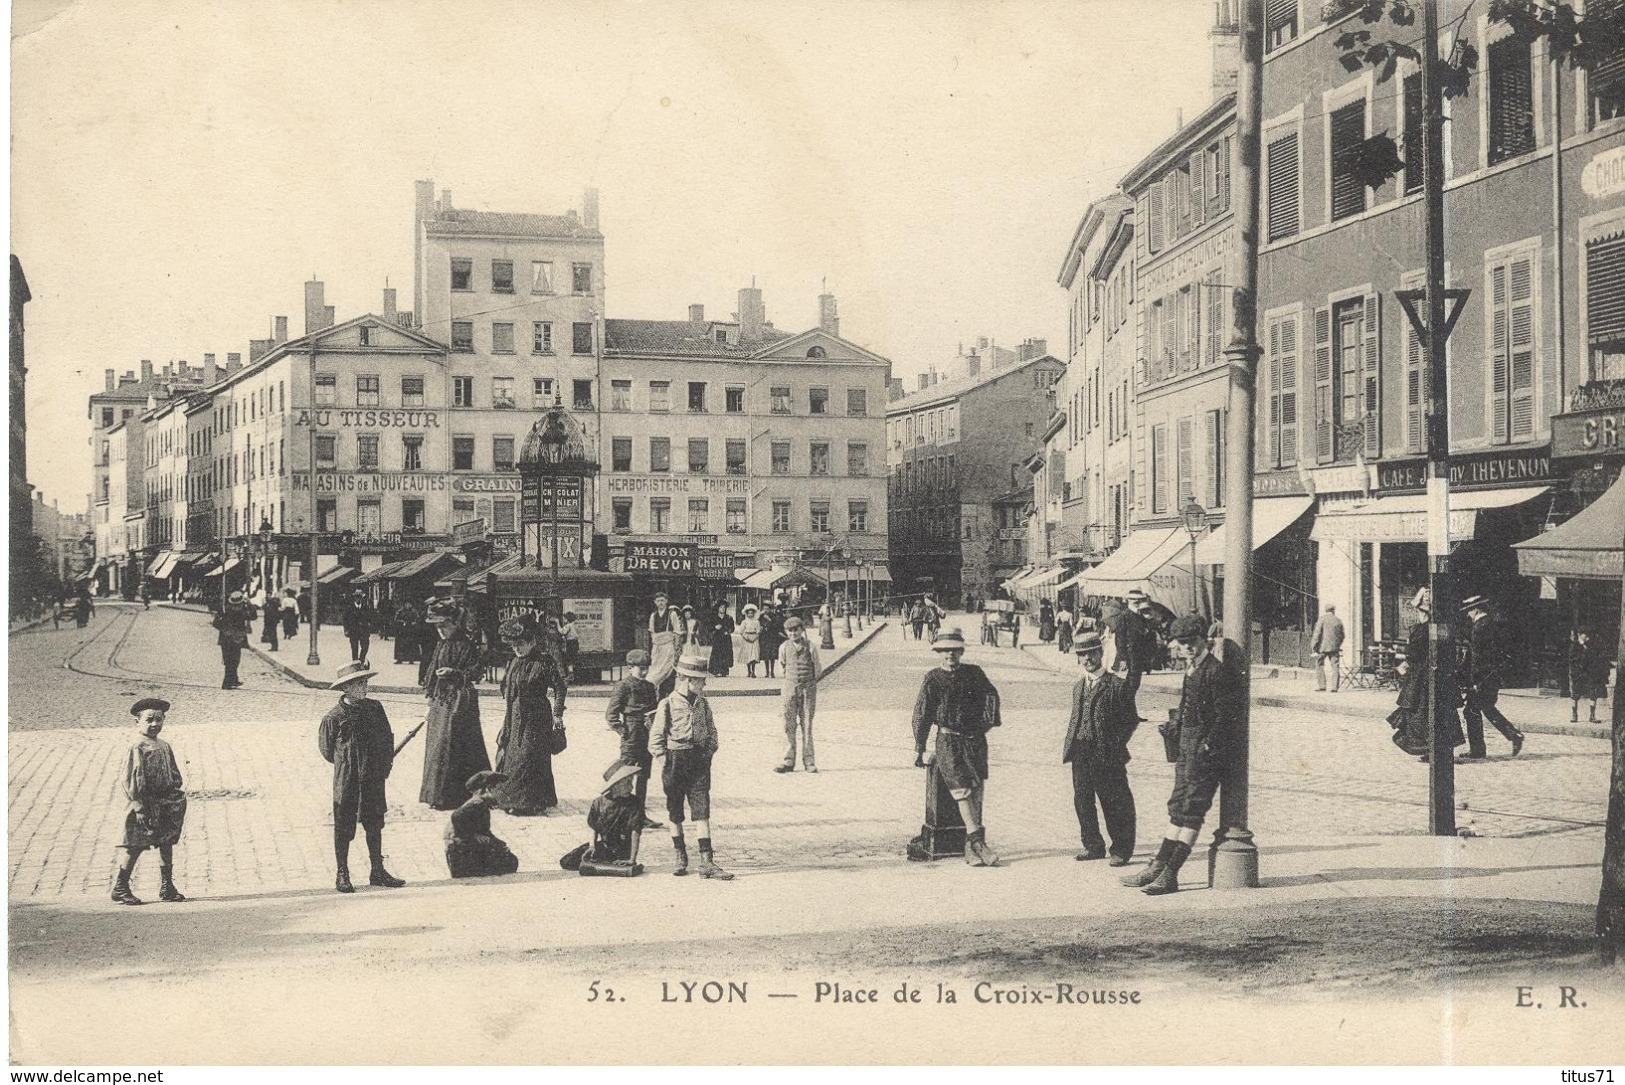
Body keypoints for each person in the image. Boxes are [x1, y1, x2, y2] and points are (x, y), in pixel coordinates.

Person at [1121, 614, 1242, 895]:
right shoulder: (1192, 669)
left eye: (1192, 642)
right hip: (1188, 747)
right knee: (1178, 805)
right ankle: (1158, 865)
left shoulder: (1215, 671)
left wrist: (1208, 746)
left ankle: (1171, 873)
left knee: (1192, 810)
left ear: (1204, 641)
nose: (1186, 648)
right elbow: (1188, 705)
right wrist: (1175, 726)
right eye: (1182, 643)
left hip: (1203, 752)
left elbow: (1226, 717)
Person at [910, 627, 1002, 866]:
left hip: (975, 741)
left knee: (977, 789)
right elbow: (922, 714)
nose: (950, 654)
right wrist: (920, 747)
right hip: (948, 742)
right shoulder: (933, 678)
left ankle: (970, 848)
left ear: (961, 651)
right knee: (962, 790)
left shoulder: (974, 674)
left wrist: (984, 725)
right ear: (939, 652)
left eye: (955, 650)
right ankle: (978, 842)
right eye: (945, 650)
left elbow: (991, 698)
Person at [318, 660, 406, 893]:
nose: (364, 687)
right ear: (345, 688)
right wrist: (348, 763)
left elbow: (387, 739)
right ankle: (342, 873)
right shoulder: (334, 717)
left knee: (374, 821)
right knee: (344, 823)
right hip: (347, 779)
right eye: (358, 684)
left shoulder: (375, 709)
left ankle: (377, 870)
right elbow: (328, 751)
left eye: (365, 682)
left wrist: (383, 766)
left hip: (373, 775)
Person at [649, 648, 732, 879]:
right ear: (687, 680)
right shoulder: (667, 704)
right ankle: (680, 856)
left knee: (702, 810)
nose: (703, 685)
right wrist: (665, 759)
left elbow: (713, 733)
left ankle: (707, 861)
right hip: (675, 760)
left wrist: (708, 752)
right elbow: (655, 739)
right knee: (675, 811)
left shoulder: (703, 704)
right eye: (700, 680)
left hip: (699, 762)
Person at [1063, 631, 1139, 865]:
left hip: (1107, 752)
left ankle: (1121, 849)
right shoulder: (1078, 687)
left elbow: (1131, 720)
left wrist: (1115, 744)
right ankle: (1093, 845)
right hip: (1080, 751)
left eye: (1091, 653)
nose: (1087, 659)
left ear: (1101, 653)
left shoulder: (1117, 685)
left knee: (1114, 799)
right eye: (1082, 655)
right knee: (1083, 800)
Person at [111, 698, 188, 905]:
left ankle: (167, 886)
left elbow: (174, 773)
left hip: (164, 802)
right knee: (134, 844)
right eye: (149, 719)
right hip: (143, 804)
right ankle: (120, 886)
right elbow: (130, 778)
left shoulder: (164, 745)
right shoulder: (137, 746)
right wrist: (139, 806)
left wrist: (175, 794)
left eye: (159, 719)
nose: (155, 724)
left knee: (166, 842)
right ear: (137, 721)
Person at [490, 614, 567, 816]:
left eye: (521, 644)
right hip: (515, 716)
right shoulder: (514, 662)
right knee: (513, 755)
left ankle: (529, 801)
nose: (517, 648)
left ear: (532, 642)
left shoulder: (544, 662)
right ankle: (513, 797)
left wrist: (558, 714)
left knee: (529, 756)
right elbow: (505, 686)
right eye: (514, 644)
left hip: (537, 717)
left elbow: (560, 687)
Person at [419, 599, 492, 810]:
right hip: (441, 702)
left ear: (454, 623)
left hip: (461, 702)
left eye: (443, 626)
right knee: (438, 747)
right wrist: (430, 700)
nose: (440, 630)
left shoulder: (467, 645)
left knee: (456, 746)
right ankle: (437, 795)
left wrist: (455, 674)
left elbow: (477, 672)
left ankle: (458, 795)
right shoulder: (441, 644)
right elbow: (432, 673)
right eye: (437, 627)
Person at [1387, 588, 1465, 760]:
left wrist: (1407, 663)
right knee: (1442, 711)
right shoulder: (1443, 628)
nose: (1418, 614)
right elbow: (1450, 651)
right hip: (1442, 676)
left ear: (1425, 612)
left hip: (1423, 677)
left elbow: (1414, 654)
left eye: (1420, 610)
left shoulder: (1421, 630)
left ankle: (1431, 749)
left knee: (1421, 712)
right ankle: (1442, 749)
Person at [1460, 594, 1524, 759]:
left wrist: (1474, 681)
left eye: (1469, 610)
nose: (1467, 614)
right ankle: (1512, 735)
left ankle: (1478, 749)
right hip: (1491, 676)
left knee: (1472, 711)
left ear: (1475, 610)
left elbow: (1477, 658)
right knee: (1486, 708)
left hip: (1482, 678)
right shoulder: (1491, 624)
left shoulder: (1479, 627)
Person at [560, 763, 647, 870]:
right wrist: (592, 846)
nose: (631, 787)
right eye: (627, 783)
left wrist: (632, 859)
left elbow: (635, 832)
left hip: (622, 849)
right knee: (567, 861)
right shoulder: (598, 802)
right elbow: (594, 827)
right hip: (605, 846)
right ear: (615, 785)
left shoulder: (634, 802)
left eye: (631, 782)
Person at [445, 770, 520, 878]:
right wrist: (473, 835)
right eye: (496, 789)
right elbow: (456, 816)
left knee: (508, 859)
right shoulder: (477, 804)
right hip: (461, 853)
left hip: (463, 850)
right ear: (486, 790)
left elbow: (484, 831)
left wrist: (497, 842)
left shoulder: (481, 804)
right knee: (509, 862)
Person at [775, 615, 823, 773]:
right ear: (786, 632)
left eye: (796, 630)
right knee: (788, 724)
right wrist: (790, 681)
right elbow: (781, 667)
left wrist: (808, 683)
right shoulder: (783, 647)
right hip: (789, 689)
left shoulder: (811, 647)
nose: (793, 633)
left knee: (807, 724)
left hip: (807, 689)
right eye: (790, 631)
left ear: (802, 630)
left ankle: (809, 761)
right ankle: (788, 760)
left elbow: (817, 669)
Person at [647, 591, 686, 698]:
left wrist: (677, 648)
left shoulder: (671, 614)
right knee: (655, 670)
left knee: (668, 670)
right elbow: (652, 633)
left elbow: (677, 632)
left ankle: (667, 695)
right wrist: (655, 644)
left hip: (668, 646)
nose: (660, 603)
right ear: (655, 602)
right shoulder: (653, 616)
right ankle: (656, 695)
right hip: (657, 647)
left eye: (662, 601)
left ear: (666, 602)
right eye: (658, 601)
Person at [1568, 628, 1611, 724]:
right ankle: (1574, 715)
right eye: (1585, 635)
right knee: (1575, 695)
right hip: (1578, 674)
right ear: (1579, 635)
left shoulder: (1590, 646)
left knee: (1593, 694)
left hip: (1589, 673)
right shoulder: (1574, 646)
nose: (1587, 637)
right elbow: (1573, 660)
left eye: (1588, 635)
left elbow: (1594, 658)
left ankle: (1592, 715)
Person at [213, 590, 253, 689]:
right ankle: (226, 683)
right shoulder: (241, 611)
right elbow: (253, 616)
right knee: (233, 660)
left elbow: (215, 623)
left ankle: (233, 680)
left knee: (231, 660)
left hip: (226, 638)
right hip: (234, 639)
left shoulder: (224, 609)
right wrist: (250, 604)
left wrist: (224, 630)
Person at [1309, 604, 1346, 693]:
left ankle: (1322, 686)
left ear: (1326, 610)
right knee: (1335, 666)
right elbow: (1342, 636)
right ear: (1333, 610)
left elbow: (1317, 634)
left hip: (1323, 647)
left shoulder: (1322, 619)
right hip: (1334, 648)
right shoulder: (1338, 620)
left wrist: (1313, 646)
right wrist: (1338, 644)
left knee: (1319, 664)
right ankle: (1334, 687)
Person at [707, 602, 735, 677]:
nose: (722, 609)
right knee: (717, 653)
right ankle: (717, 670)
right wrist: (715, 628)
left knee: (725, 653)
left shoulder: (729, 618)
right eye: (721, 607)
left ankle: (724, 670)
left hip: (726, 638)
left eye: (724, 607)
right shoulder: (714, 617)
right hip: (717, 638)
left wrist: (728, 631)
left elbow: (732, 628)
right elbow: (709, 627)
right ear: (718, 608)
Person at [343, 593, 373, 663]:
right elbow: (345, 619)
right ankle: (356, 663)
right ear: (354, 598)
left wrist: (369, 626)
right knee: (354, 648)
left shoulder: (365, 608)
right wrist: (346, 630)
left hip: (364, 630)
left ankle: (361, 659)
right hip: (353, 630)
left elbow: (370, 618)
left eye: (359, 597)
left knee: (365, 646)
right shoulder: (349, 608)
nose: (358, 599)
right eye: (357, 597)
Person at [759, 602, 785, 680]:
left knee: (772, 655)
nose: (766, 610)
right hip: (764, 637)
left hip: (772, 637)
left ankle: (772, 671)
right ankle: (767, 672)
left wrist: (769, 620)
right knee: (765, 655)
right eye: (764, 609)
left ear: (770, 609)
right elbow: (758, 624)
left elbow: (776, 626)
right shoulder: (761, 617)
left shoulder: (773, 616)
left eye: (767, 609)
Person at [737, 604, 763, 678]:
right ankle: (749, 671)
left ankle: (753, 672)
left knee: (753, 656)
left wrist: (755, 637)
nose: (750, 615)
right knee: (748, 656)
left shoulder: (756, 622)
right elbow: (741, 631)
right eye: (749, 613)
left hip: (754, 639)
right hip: (747, 639)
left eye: (752, 613)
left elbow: (758, 631)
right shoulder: (744, 622)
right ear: (746, 614)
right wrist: (746, 637)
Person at [393, 598, 421, 665]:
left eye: (409, 604)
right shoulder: (400, 611)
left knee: (411, 645)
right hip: (402, 631)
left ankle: (411, 659)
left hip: (411, 631)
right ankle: (399, 659)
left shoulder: (414, 612)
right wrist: (402, 622)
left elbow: (418, 620)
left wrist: (414, 623)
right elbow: (395, 620)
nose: (408, 605)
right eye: (406, 604)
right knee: (400, 645)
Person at [558, 610, 581, 682]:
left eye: (565, 618)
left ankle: (571, 675)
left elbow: (562, 632)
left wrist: (557, 623)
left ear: (568, 619)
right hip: (575, 642)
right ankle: (572, 675)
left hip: (570, 643)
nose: (564, 620)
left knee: (569, 659)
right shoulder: (574, 625)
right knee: (573, 659)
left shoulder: (568, 626)